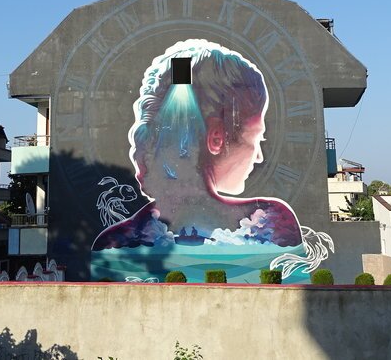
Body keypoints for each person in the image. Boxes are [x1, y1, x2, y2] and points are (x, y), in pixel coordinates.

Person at [92, 40, 302, 259]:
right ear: (216, 138)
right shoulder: (269, 222)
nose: (259, 156)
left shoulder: (114, 242)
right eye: (257, 137)